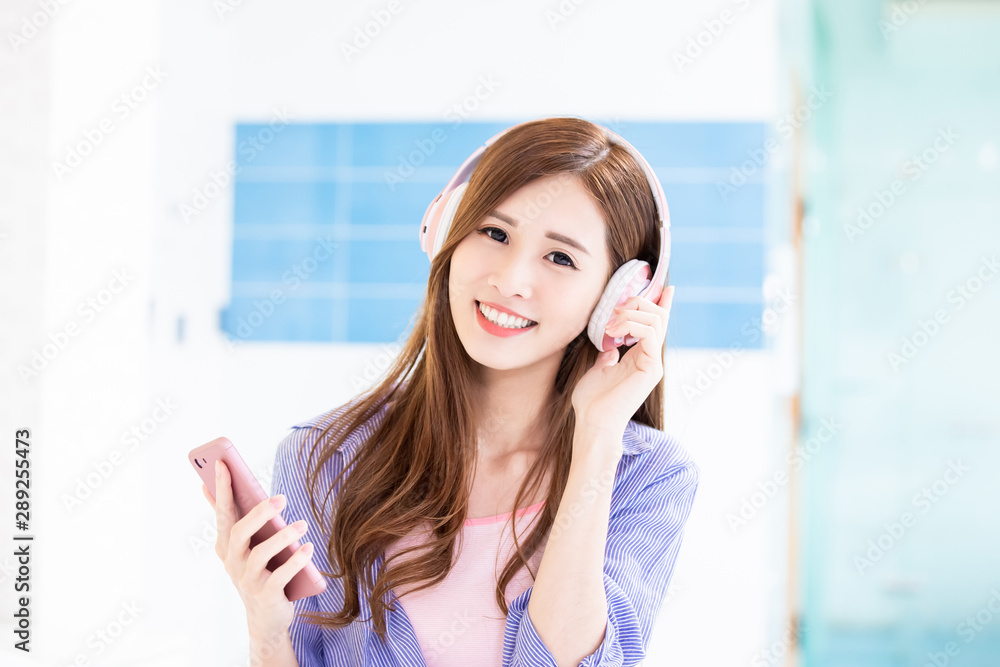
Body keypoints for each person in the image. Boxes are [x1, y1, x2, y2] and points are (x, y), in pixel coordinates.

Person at [203, 116, 700, 667]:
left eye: (560, 258)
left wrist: (597, 439)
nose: (510, 280)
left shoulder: (647, 475)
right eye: (494, 233)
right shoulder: (325, 457)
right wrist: (266, 631)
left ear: (616, 300)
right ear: (446, 233)